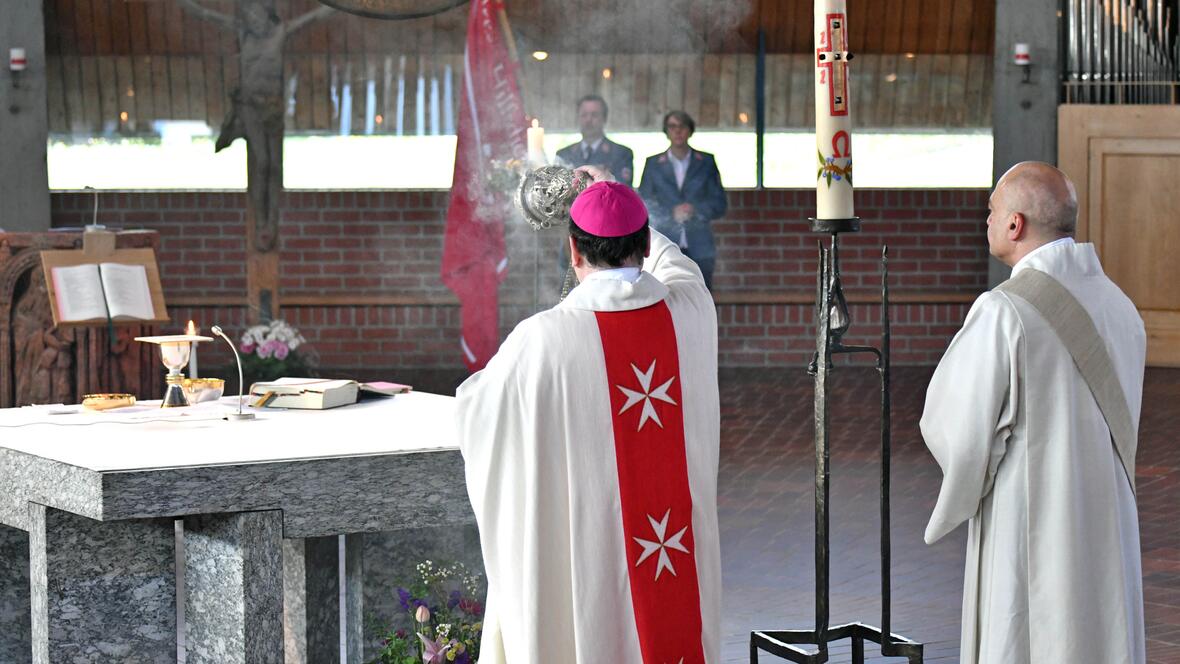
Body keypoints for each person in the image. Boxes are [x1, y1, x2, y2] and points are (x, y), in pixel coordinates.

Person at [456, 169, 720, 664]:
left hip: (589, 558)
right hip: (673, 552)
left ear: (573, 252)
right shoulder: (691, 310)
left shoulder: (541, 339)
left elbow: (477, 410)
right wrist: (618, 194)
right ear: (643, 245)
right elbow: (679, 265)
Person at [921, 161, 1145, 664]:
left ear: (1014, 224)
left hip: (1031, 512)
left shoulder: (1004, 310)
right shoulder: (1120, 305)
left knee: (1026, 631)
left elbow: (961, 427)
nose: (988, 220)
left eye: (992, 210)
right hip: (1106, 510)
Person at [638, 110, 727, 290]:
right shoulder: (653, 164)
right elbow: (644, 204)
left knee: (702, 298)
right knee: (664, 299)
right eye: (672, 126)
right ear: (666, 131)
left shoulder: (706, 162)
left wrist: (695, 210)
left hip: (700, 246)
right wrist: (671, 212)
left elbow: (719, 203)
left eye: (682, 126)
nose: (678, 131)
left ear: (690, 130)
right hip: (664, 244)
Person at [555, 95, 634, 185]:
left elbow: (623, 189)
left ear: (604, 119)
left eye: (594, 115)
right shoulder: (563, 154)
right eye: (584, 115)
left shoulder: (621, 153)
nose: (588, 120)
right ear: (578, 118)